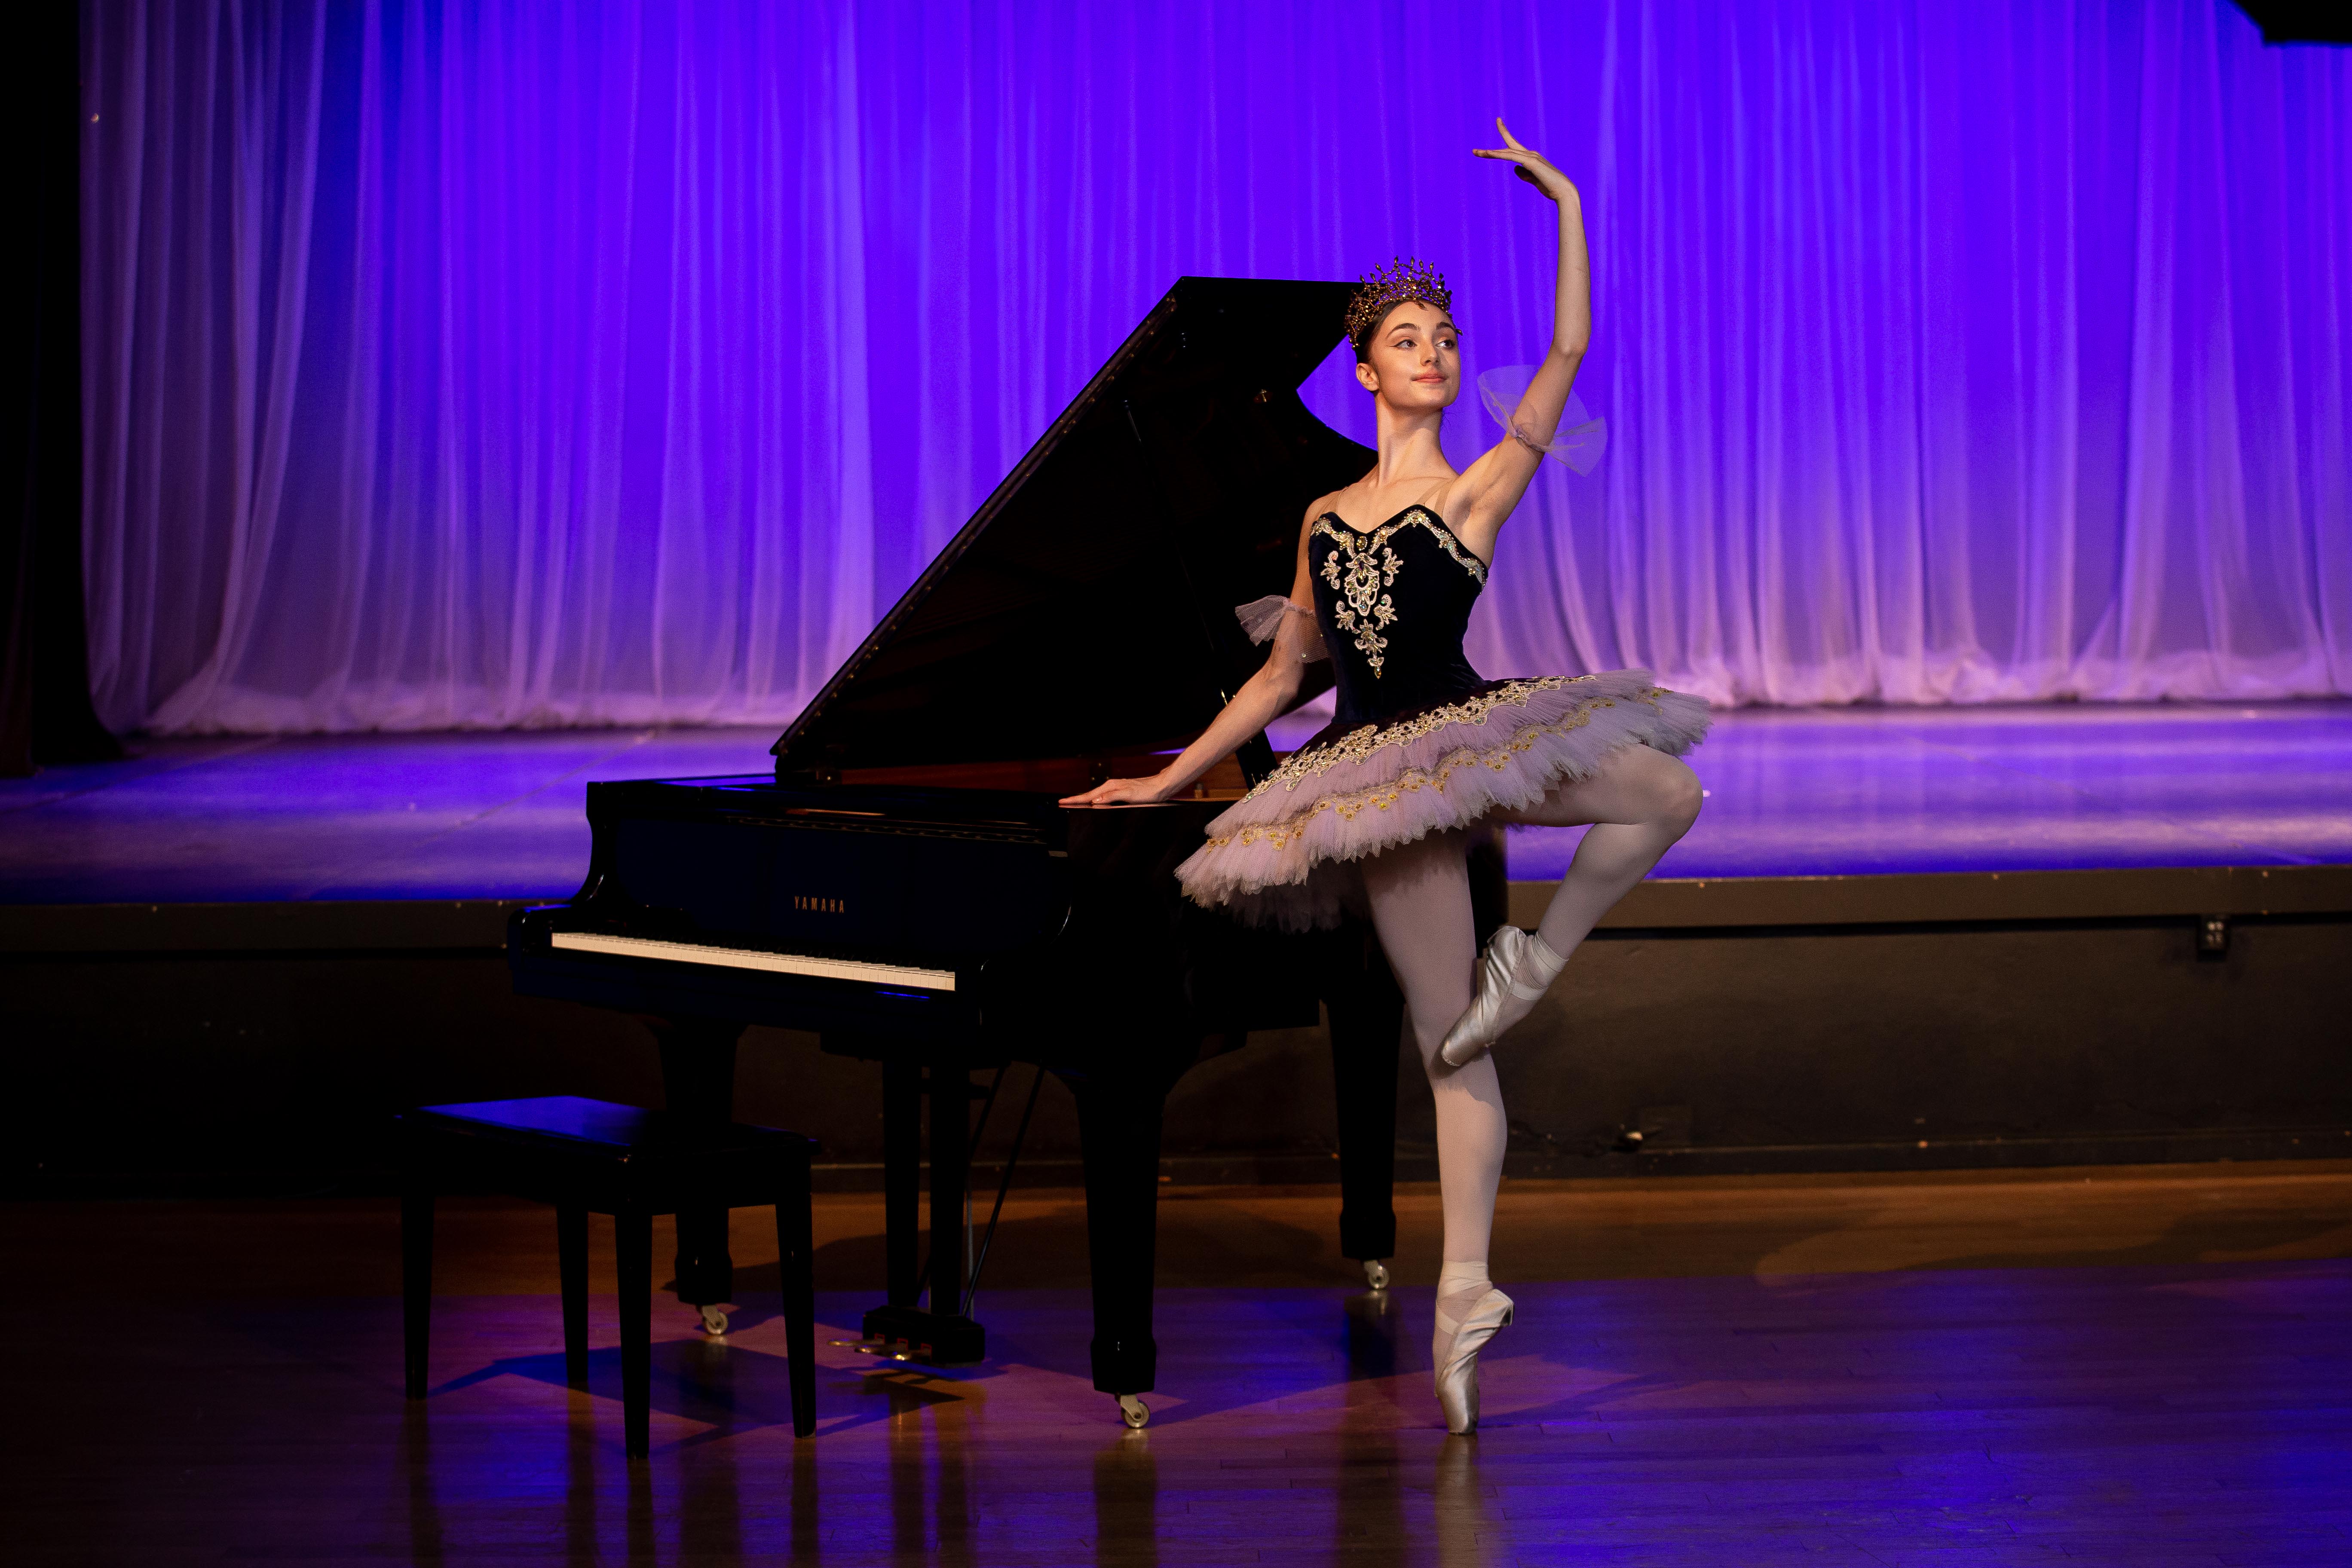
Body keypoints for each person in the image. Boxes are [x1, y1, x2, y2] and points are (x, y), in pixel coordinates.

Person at [1060, 121, 1710, 1433]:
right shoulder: (1321, 519)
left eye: (1447, 341)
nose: (1436, 355)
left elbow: (1570, 354)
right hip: (1369, 780)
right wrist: (1169, 781)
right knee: (1444, 1046)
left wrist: (1567, 201)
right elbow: (1281, 677)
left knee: (1665, 790)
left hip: (1464, 733)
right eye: (1410, 340)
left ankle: (1539, 956)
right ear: (1364, 373)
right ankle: (1464, 1290)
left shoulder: (1473, 494)